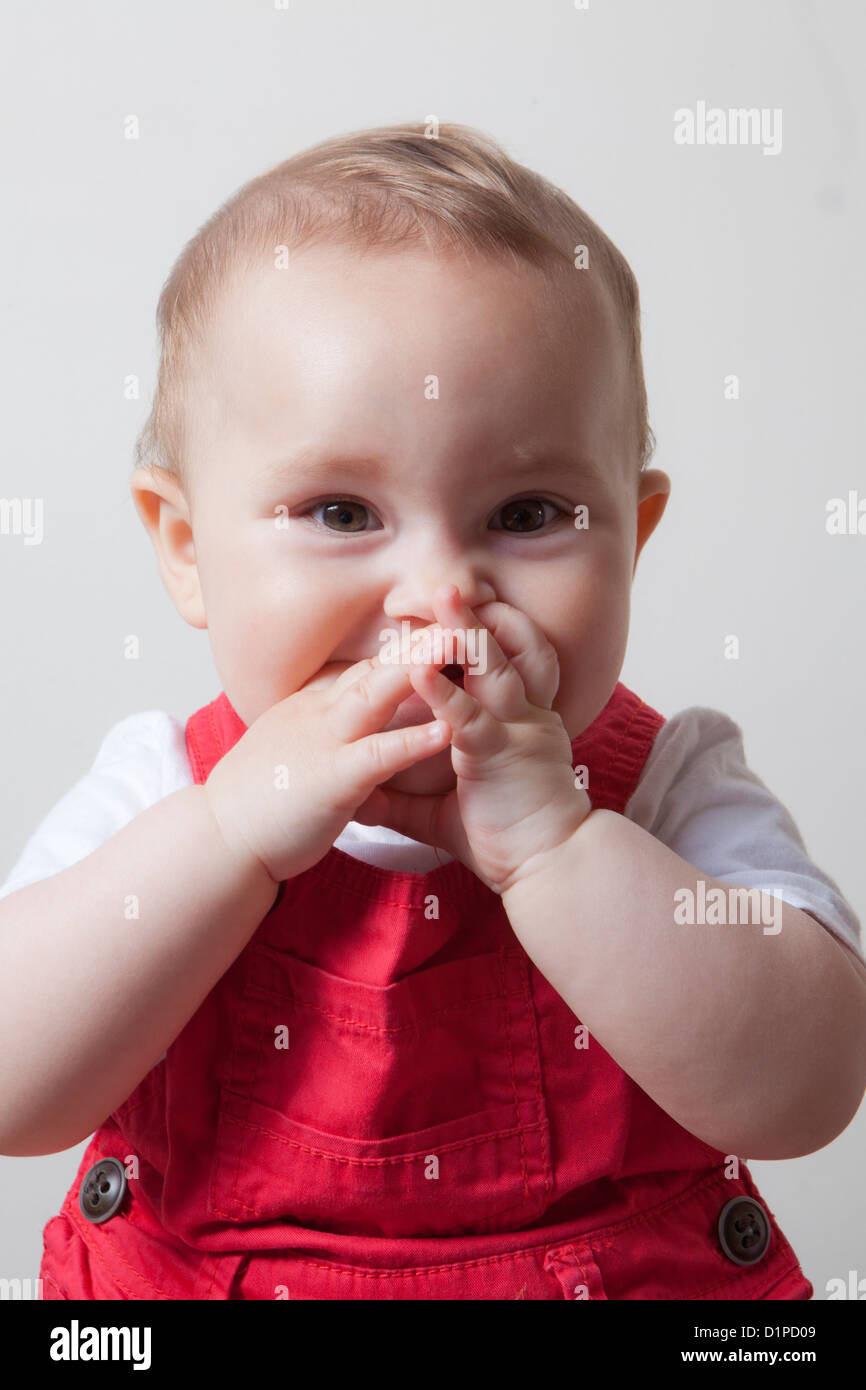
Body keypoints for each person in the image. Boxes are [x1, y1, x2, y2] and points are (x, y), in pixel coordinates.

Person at [2, 122, 864, 1300]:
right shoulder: (164, 790)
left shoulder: (665, 787)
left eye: (526, 511)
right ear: (188, 546)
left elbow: (807, 1086)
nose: (440, 597)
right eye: (342, 514)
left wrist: (559, 848)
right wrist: (227, 839)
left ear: (632, 537)